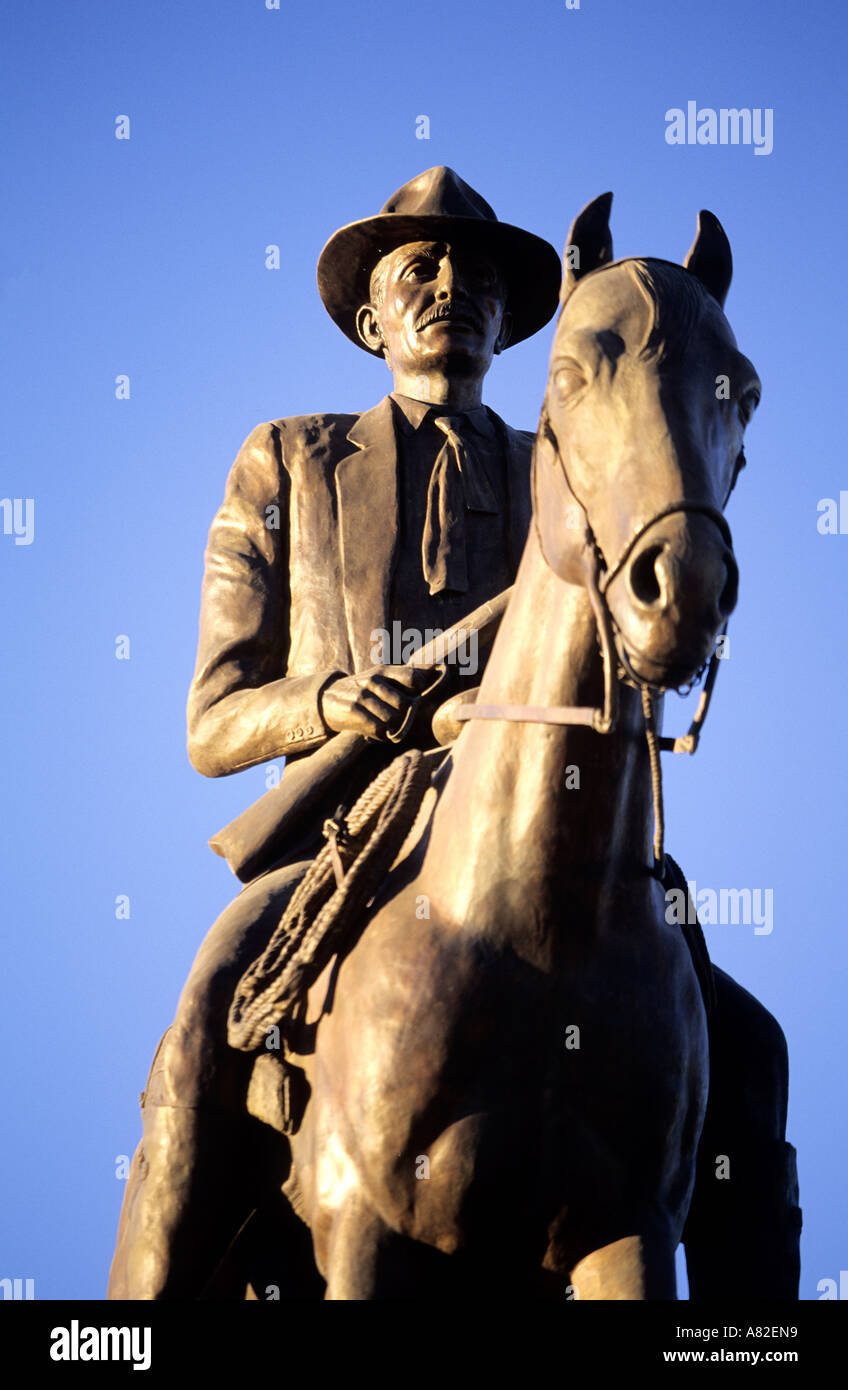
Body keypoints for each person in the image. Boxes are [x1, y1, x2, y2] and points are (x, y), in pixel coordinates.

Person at [107, 166, 562, 1298]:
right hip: (345, 839)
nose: (450, 285)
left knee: (745, 1054)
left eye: (476, 274)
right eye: (419, 268)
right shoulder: (288, 460)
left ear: (507, 321)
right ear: (371, 320)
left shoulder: (564, 481)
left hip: (539, 843)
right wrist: (327, 703)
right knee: (214, 999)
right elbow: (212, 724)